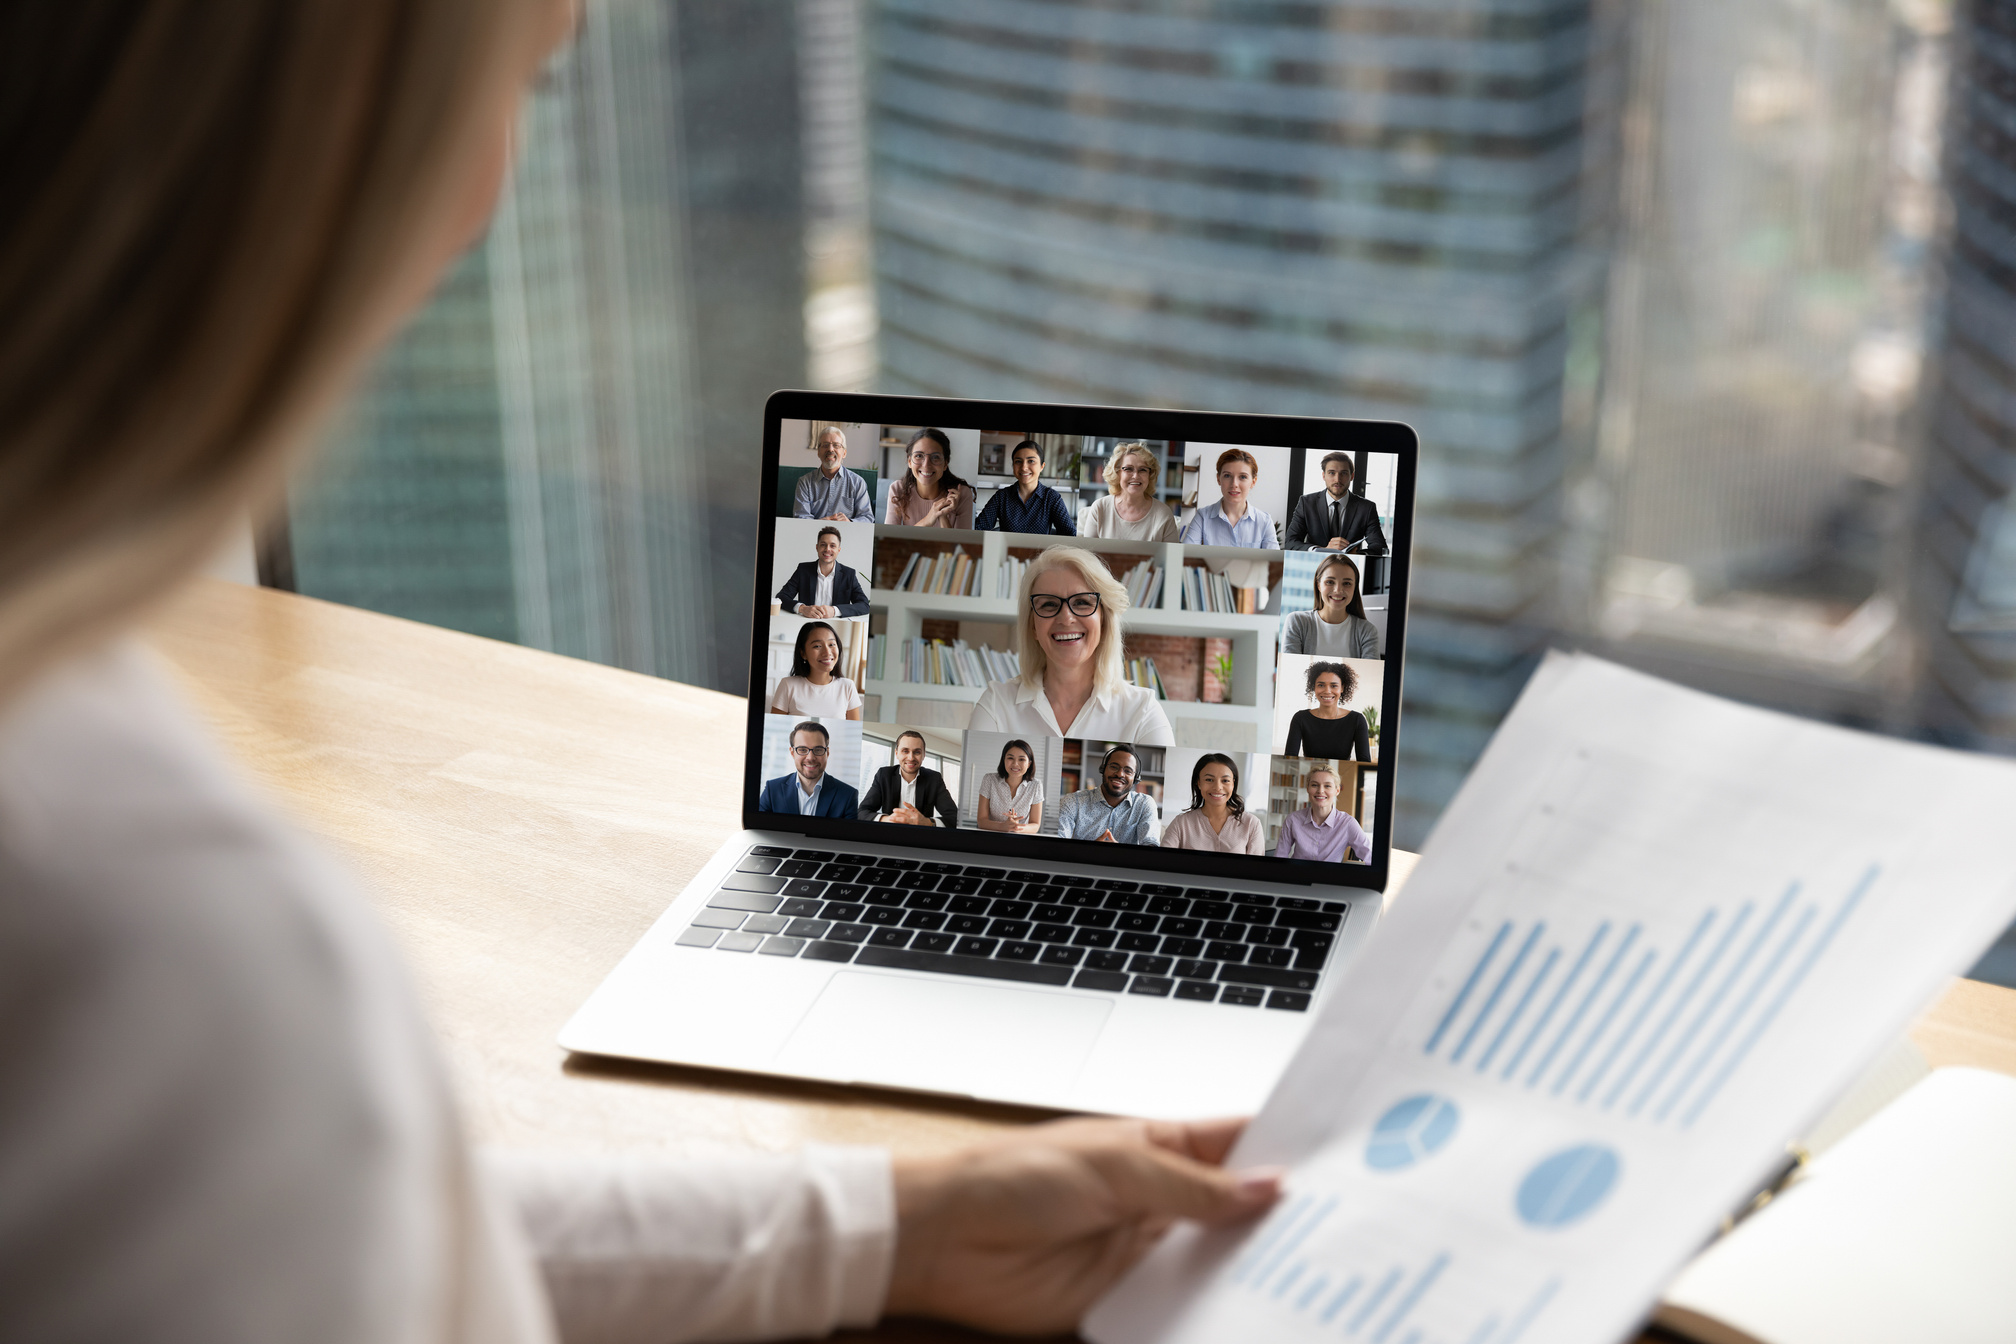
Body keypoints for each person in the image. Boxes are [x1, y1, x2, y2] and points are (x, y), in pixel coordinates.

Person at [0, 7, 1284, 1342]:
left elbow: (288, 1235)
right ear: (323, 129)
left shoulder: (88, 800)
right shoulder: (167, 941)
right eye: (522, 84)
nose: (478, 202)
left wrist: (900, 1225)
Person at [969, 546, 1175, 745]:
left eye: (1082, 602)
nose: (1066, 618)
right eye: (1048, 604)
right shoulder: (996, 704)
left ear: (1103, 620)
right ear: (1033, 625)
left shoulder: (1143, 712)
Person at [1284, 451, 1388, 554]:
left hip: (1350, 566)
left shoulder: (1367, 508)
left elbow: (1379, 547)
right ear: (1324, 476)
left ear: (1352, 476)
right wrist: (1319, 550)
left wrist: (1356, 555)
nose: (1337, 479)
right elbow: (1290, 542)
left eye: (1343, 473)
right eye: (1331, 473)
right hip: (1314, 564)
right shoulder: (1306, 503)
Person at [1161, 753, 1267, 854]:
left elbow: (1255, 869)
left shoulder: (1251, 824)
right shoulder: (1181, 823)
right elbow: (1163, 862)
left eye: (1225, 780)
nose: (1217, 787)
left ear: (1233, 784)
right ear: (1198, 783)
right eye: (1209, 779)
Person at [1055, 746, 1161, 845]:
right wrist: (1090, 850)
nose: (1120, 774)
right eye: (1114, 767)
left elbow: (1150, 848)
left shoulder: (1144, 804)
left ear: (1136, 778)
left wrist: (1119, 853)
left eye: (1128, 771)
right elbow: (1057, 846)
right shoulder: (1073, 801)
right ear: (1103, 769)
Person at [1078, 441, 1182, 541]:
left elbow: (1171, 557)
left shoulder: (1164, 514)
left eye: (1143, 470)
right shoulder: (1099, 508)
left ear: (1150, 475)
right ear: (1117, 473)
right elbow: (1088, 555)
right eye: (1128, 469)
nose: (1136, 476)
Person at [1283, 553, 1381, 658]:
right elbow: (1290, 670)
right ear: (1318, 585)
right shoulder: (1297, 622)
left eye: (1347, 583)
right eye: (1330, 582)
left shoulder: (1367, 631)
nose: (1338, 590)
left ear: (1355, 588)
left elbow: (1370, 674)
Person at [1180, 448, 1278, 549]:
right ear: (1218, 479)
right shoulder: (1202, 516)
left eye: (1243, 477)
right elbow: (1185, 556)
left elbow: (1274, 563)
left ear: (1253, 482)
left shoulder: (1265, 521)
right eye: (1227, 475)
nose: (1234, 484)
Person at [858, 729, 958, 828]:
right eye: (905, 751)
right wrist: (888, 820)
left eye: (917, 752)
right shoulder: (884, 775)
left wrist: (927, 822)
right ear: (897, 753)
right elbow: (862, 812)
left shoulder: (934, 779)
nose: (911, 758)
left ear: (923, 755)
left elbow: (955, 818)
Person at [974, 438, 1075, 535]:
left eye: (1031, 461)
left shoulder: (1052, 498)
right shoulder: (1001, 497)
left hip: (1042, 552)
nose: (1024, 467)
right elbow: (978, 528)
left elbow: (1070, 534)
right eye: (1018, 461)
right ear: (1013, 465)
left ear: (1042, 466)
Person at [759, 721, 860, 818]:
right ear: (792, 753)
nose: (810, 758)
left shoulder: (848, 796)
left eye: (818, 750)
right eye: (802, 750)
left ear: (827, 753)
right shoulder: (772, 790)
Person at [768, 620, 864, 719]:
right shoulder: (788, 685)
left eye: (831, 644)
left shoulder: (847, 686)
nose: (827, 652)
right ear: (803, 653)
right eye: (817, 646)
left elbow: (853, 732)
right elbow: (775, 729)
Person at [1274, 766, 1372, 863]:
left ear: (1337, 790)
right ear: (1307, 788)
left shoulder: (1347, 823)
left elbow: (1370, 857)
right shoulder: (1293, 819)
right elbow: (1279, 857)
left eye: (1327, 786)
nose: (1320, 791)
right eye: (1314, 785)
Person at [884, 427, 975, 528]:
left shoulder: (962, 493)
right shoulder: (897, 489)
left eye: (935, 457)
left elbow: (959, 543)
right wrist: (929, 518)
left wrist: (943, 516)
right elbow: (889, 539)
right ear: (909, 461)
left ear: (945, 463)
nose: (926, 465)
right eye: (919, 456)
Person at [1283, 661, 1373, 761]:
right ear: (1314, 687)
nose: (1327, 691)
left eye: (1334, 686)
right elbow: (1289, 759)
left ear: (1342, 688)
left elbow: (1364, 763)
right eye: (1321, 685)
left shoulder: (1357, 720)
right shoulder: (1300, 718)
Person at [776, 525, 869, 618]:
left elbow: (864, 605)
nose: (827, 549)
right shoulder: (803, 569)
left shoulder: (849, 574)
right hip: (807, 623)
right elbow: (781, 597)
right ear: (817, 547)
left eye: (832, 546)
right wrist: (802, 608)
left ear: (838, 550)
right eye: (823, 544)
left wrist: (834, 611)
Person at [792, 425, 875, 522]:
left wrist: (849, 522)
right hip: (814, 534)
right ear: (818, 452)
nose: (830, 449)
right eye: (825, 445)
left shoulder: (858, 482)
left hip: (847, 533)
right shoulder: (805, 482)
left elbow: (867, 517)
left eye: (836, 445)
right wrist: (821, 523)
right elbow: (800, 518)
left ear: (844, 453)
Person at [975, 738, 1044, 833]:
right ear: (1004, 760)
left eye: (1021, 759)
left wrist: (1017, 827)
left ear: (1029, 764)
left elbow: (1035, 825)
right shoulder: (989, 779)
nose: (1015, 764)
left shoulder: (1036, 785)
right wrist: (1002, 826)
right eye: (1010, 758)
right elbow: (981, 821)